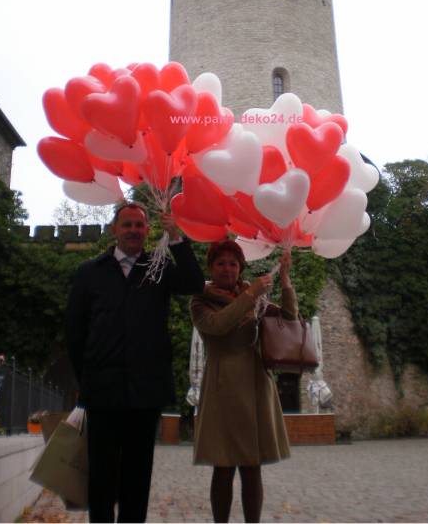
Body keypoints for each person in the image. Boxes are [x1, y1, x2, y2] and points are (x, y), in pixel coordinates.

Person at [66, 201, 204, 523]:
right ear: (114, 230)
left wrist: (176, 238)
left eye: (139, 225)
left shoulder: (158, 269)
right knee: (101, 477)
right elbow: (75, 332)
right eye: (126, 224)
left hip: (145, 393)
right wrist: (85, 380)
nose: (133, 230)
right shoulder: (90, 273)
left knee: (137, 478)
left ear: (147, 231)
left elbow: (194, 284)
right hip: (102, 392)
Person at [190, 240, 298, 523]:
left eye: (233, 264)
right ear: (211, 267)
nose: (227, 269)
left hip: (255, 385)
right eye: (221, 263)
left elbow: (289, 318)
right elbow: (218, 325)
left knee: (252, 467)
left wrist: (285, 281)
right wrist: (250, 294)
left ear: (240, 268)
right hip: (222, 386)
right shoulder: (200, 299)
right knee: (223, 467)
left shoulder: (254, 296)